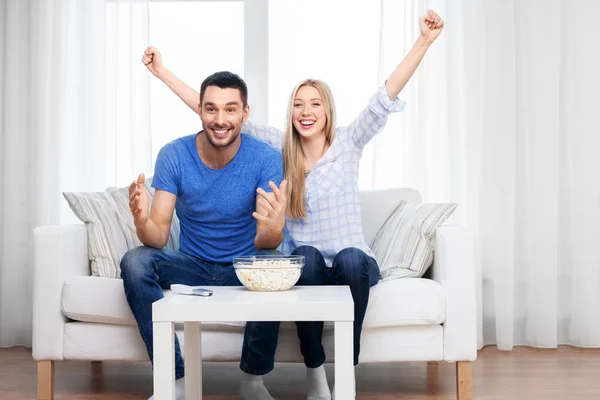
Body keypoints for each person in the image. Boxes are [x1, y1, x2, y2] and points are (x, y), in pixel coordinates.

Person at [142, 9, 444, 400]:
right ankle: (315, 372)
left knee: (351, 258)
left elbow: (384, 97)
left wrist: (423, 41)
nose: (306, 112)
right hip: (309, 261)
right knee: (305, 256)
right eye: (299, 105)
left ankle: (344, 374)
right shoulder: (278, 149)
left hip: (354, 262)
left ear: (327, 111)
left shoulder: (348, 144)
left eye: (315, 104)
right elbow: (219, 117)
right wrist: (162, 72)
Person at [120, 71, 289, 400]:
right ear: (199, 110)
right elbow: (157, 237)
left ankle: (253, 381)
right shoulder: (174, 155)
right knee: (135, 262)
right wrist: (141, 220)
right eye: (211, 109)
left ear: (245, 113)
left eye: (230, 109)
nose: (220, 119)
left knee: (273, 262)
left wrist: (276, 226)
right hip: (192, 264)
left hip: (244, 266)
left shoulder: (266, 158)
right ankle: (175, 379)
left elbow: (265, 243)